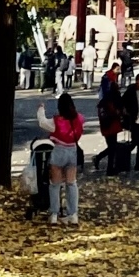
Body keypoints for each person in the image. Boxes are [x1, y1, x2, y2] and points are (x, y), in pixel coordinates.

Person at [38, 91, 84, 226]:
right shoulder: (79, 119)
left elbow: (42, 122)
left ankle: (54, 214)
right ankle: (73, 214)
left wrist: (41, 108)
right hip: (72, 151)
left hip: (58, 151)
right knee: (71, 183)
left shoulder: (56, 120)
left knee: (55, 184)